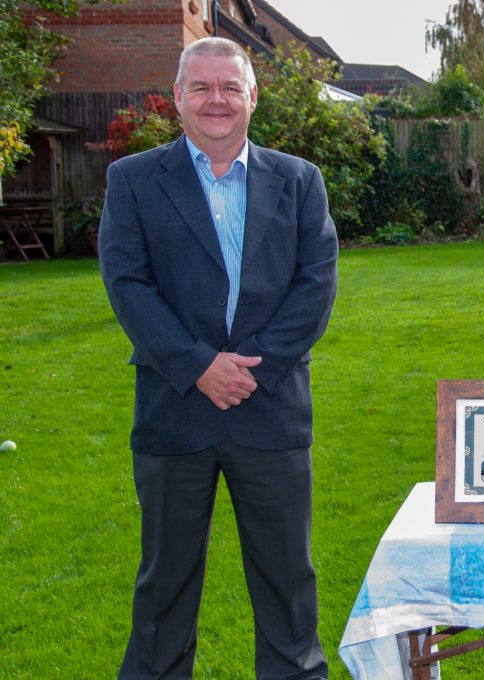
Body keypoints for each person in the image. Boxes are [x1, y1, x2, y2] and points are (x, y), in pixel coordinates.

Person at [100, 37, 338, 679]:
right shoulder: (132, 180)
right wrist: (199, 365)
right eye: (201, 86)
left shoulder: (299, 181)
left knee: (290, 589)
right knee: (164, 594)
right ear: (177, 97)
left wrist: (248, 365)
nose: (216, 99)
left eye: (229, 86)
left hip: (272, 411)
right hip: (175, 413)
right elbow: (127, 283)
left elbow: (316, 285)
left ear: (252, 96)